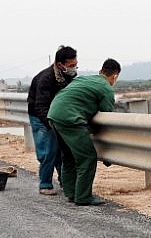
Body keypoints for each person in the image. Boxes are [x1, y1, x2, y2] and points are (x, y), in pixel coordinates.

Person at [47, 58, 121, 206]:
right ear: (115, 76)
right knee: (87, 157)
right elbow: (107, 117)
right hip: (70, 120)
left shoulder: (84, 79)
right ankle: (83, 197)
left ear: (100, 71)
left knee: (68, 156)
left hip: (54, 114)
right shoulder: (106, 88)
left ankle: (71, 193)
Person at [27, 45, 78, 196]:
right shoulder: (47, 79)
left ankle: (65, 181)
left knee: (63, 151)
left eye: (75, 65)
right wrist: (50, 124)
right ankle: (45, 184)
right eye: (71, 66)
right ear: (60, 64)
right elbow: (40, 105)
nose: (74, 68)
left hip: (57, 116)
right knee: (48, 151)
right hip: (40, 116)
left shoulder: (68, 76)